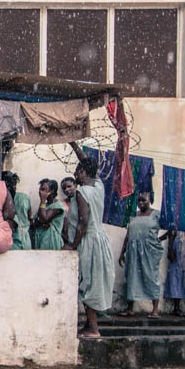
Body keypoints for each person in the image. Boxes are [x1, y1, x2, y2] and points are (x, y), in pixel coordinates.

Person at [65, 143, 115, 338]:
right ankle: (90, 324)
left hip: (88, 240)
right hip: (100, 238)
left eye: (78, 170)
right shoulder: (98, 186)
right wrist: (74, 144)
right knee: (93, 280)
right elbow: (86, 162)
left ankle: (93, 327)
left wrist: (72, 245)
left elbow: (83, 222)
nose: (75, 173)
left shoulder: (82, 192)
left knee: (87, 282)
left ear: (84, 172)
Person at [119, 191, 165, 318]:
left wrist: (157, 241)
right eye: (139, 201)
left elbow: (172, 229)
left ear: (150, 200)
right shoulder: (134, 215)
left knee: (151, 277)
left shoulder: (157, 215)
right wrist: (122, 252)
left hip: (149, 251)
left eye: (144, 200)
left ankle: (155, 310)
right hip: (133, 250)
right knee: (132, 277)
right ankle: (130, 309)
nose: (141, 203)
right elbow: (128, 234)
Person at [31, 179, 67, 251]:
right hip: (40, 240)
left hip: (51, 242)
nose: (40, 192)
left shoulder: (58, 206)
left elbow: (44, 218)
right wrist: (40, 222)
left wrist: (43, 201)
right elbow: (35, 222)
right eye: (40, 189)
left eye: (43, 189)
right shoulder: (44, 206)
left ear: (51, 191)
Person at [3, 172, 33, 250]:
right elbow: (31, 218)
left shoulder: (2, 200)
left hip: (12, 242)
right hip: (25, 240)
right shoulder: (25, 198)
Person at [60, 177, 79, 246]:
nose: (66, 189)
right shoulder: (61, 204)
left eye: (69, 186)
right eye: (64, 188)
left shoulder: (82, 203)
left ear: (76, 185)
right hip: (66, 238)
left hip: (79, 237)